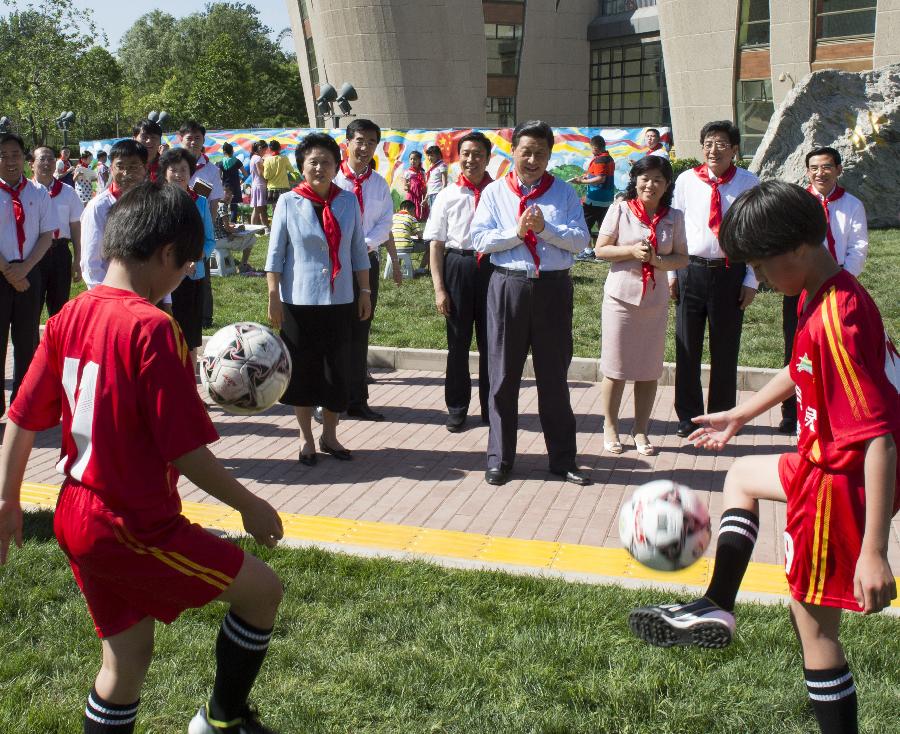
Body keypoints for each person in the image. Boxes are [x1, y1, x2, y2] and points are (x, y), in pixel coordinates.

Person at [0, 181, 284, 734]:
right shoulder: (153, 328)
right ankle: (223, 720)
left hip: (74, 510)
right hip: (130, 522)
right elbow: (186, 451)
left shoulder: (67, 316)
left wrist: (8, 500)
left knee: (126, 660)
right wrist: (249, 505)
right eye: (187, 267)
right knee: (262, 591)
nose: (183, 279)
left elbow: (20, 420)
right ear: (166, 254)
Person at [628, 180, 898, 734]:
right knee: (743, 476)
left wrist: (874, 552)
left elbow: (879, 438)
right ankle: (717, 603)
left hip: (841, 483)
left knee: (815, 631)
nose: (766, 281)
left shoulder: (836, 322)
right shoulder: (828, 290)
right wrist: (741, 414)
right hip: (827, 463)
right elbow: (799, 369)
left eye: (764, 266)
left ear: (797, 249)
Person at [471, 120, 591, 487]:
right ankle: (499, 458)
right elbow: (479, 240)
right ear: (514, 153)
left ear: (549, 155)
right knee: (503, 376)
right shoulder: (495, 194)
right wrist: (517, 233)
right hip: (509, 287)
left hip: (553, 290)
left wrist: (545, 230)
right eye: (526, 151)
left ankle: (563, 459)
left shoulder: (565, 194)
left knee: (553, 377)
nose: (533, 159)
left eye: (541, 152)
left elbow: (581, 240)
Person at [265, 133, 371, 465]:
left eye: (326, 161)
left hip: (340, 299)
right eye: (313, 161)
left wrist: (364, 291)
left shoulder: (347, 200)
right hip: (298, 300)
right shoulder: (288, 202)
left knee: (337, 371)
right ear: (301, 166)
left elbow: (357, 251)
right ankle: (305, 437)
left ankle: (330, 435)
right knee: (303, 371)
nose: (320, 167)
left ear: (336, 166)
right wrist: (273, 296)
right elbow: (276, 254)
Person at [594, 155, 688, 456]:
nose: (651, 184)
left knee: (648, 369)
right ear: (635, 180)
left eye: (658, 179)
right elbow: (600, 249)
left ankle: (640, 430)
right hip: (621, 298)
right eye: (645, 178)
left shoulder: (674, 217)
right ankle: (610, 426)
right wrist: (631, 250)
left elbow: (683, 258)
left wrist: (658, 261)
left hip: (654, 300)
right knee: (616, 366)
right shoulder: (620, 209)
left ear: (667, 185)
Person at [670, 120, 759, 438]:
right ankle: (688, 416)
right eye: (708, 143)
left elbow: (754, 233)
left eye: (721, 144)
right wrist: (671, 272)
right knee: (687, 347)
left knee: (725, 348)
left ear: (734, 149)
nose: (713, 150)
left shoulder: (749, 182)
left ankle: (721, 415)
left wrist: (751, 279)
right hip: (690, 270)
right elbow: (675, 227)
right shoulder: (685, 181)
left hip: (729, 272)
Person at [778, 146, 869, 434]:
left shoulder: (852, 204)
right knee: (795, 347)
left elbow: (859, 248)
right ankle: (792, 412)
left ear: (838, 170)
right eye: (814, 167)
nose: (821, 173)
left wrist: (838, 280)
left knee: (835, 346)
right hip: (800, 286)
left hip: (837, 286)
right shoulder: (797, 203)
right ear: (807, 171)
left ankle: (833, 407)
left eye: (827, 167)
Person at [332, 118, 402, 423]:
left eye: (371, 142)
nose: (364, 147)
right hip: (334, 264)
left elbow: (385, 223)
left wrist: (361, 246)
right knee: (333, 331)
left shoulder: (379, 184)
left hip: (366, 264)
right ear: (347, 143)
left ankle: (358, 400)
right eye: (359, 140)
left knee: (360, 330)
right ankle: (330, 399)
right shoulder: (332, 179)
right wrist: (346, 248)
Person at [425, 131, 494, 433]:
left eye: (478, 153)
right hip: (459, 267)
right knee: (458, 343)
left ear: (487, 158)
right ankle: (456, 407)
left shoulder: (500, 192)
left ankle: (493, 408)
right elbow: (436, 244)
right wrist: (440, 288)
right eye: (465, 153)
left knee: (494, 345)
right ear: (458, 157)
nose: (471, 159)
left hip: (493, 269)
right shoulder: (447, 196)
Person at [0, 132, 57, 417]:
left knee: (26, 342)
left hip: (30, 272)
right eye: (4, 155)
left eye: (15, 154)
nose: (10, 161)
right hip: (1, 272)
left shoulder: (38, 193)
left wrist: (25, 268)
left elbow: (47, 235)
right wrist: (9, 271)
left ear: (24, 158)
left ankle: (21, 408)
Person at [159, 148, 216, 365]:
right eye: (174, 169)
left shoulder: (200, 202)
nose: (179, 174)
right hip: (163, 278)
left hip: (192, 276)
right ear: (165, 172)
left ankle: (190, 390)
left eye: (184, 169)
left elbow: (210, 240)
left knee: (190, 337)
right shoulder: (157, 201)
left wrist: (196, 256)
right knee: (165, 335)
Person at [81, 140, 148, 290]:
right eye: (120, 166)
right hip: (113, 293)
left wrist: (165, 299)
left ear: (145, 169)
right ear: (111, 168)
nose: (126, 173)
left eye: (133, 166)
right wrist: (105, 299)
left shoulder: (151, 204)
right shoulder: (98, 207)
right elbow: (91, 263)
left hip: (148, 291)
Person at [31, 145, 84, 316]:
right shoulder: (26, 193)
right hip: (33, 254)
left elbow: (76, 227)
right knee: (31, 307)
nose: (47, 163)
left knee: (60, 308)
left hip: (60, 253)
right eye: (42, 159)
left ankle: (57, 343)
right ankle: (31, 343)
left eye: (51, 159)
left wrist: (78, 259)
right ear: (32, 164)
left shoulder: (68, 193)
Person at [179, 121, 222, 330]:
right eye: (189, 137)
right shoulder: (173, 164)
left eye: (198, 138)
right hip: (176, 229)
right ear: (181, 139)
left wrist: (208, 228)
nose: (194, 141)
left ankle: (205, 317)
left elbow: (214, 200)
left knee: (202, 275)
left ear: (203, 140)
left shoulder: (211, 169)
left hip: (200, 229)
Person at [572, 135, 615, 262]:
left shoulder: (600, 160)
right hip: (606, 198)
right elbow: (597, 175)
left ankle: (588, 251)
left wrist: (581, 182)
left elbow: (600, 178)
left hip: (596, 198)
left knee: (584, 224)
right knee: (603, 226)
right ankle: (603, 253)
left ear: (595, 147)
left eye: (591, 147)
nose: (591, 150)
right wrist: (586, 177)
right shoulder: (609, 158)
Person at [217, 142, 246, 223]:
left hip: (225, 187)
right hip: (235, 187)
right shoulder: (237, 161)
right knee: (234, 206)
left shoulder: (221, 163)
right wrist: (241, 180)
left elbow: (218, 177)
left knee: (223, 206)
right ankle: (233, 224)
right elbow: (245, 173)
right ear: (232, 151)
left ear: (224, 152)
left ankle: (223, 224)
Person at [263, 140, 293, 208]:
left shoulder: (267, 160)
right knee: (285, 209)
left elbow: (266, 176)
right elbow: (291, 170)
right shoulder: (284, 158)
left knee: (275, 210)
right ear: (280, 148)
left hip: (272, 189)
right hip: (284, 188)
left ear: (270, 149)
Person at [249, 140, 269, 232]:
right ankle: (265, 229)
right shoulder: (257, 158)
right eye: (265, 150)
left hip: (256, 185)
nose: (265, 152)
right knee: (261, 209)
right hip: (260, 185)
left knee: (258, 209)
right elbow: (261, 173)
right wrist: (268, 180)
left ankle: (257, 229)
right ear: (260, 148)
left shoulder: (254, 157)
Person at [403, 150, 427, 220]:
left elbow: (424, 182)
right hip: (412, 194)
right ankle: (410, 218)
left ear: (419, 160)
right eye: (411, 159)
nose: (412, 161)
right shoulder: (408, 172)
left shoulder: (422, 172)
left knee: (419, 205)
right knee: (410, 206)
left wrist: (424, 191)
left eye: (415, 159)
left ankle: (419, 217)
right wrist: (407, 186)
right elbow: (405, 186)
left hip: (419, 194)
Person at [424, 144, 448, 210]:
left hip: (437, 193)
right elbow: (430, 183)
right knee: (432, 214)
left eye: (431, 155)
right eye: (428, 155)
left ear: (438, 155)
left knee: (437, 213)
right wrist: (426, 198)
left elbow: (444, 183)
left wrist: (441, 195)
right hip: (430, 194)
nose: (429, 158)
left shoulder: (442, 165)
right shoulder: (431, 167)